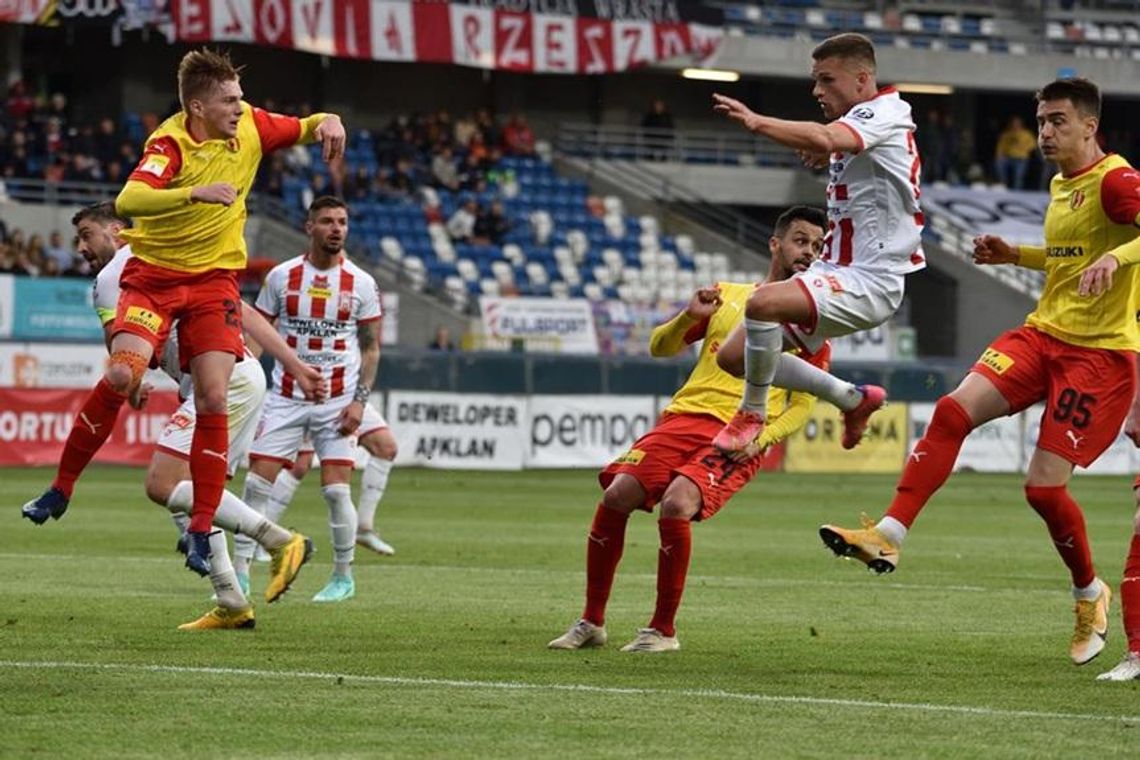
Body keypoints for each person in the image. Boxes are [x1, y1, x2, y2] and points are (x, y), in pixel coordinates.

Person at [820, 78, 1140, 669]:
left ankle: (1088, 594)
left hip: (1098, 355)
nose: (1045, 132)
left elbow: (1126, 241)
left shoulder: (1118, 182)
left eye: (1058, 121)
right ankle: (889, 533)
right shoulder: (1061, 183)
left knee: (1043, 490)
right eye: (1041, 120)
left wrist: (1115, 258)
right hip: (1043, 334)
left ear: (1091, 126)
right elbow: (1071, 258)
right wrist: (1014, 254)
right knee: (952, 411)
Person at [20, 49, 345, 580]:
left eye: (241, 99)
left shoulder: (255, 127)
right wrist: (194, 191)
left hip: (213, 281)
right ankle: (61, 488)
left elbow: (309, 126)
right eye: (229, 101)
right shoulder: (169, 142)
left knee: (214, 394)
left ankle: (200, 530)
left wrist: (329, 120)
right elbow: (130, 199)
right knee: (122, 372)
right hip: (154, 279)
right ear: (197, 106)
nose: (241, 108)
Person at [548, 206, 828, 653]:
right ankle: (591, 623)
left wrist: (762, 439)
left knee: (677, 503)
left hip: (738, 434)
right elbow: (660, 347)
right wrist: (686, 315)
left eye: (818, 246)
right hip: (682, 418)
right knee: (617, 495)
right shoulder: (728, 295)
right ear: (775, 244)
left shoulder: (813, 326)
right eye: (800, 240)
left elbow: (801, 407)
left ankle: (662, 631)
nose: (809, 252)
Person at [71, 202, 325, 629]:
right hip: (232, 379)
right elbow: (240, 311)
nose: (81, 247)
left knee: (162, 484)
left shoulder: (114, 277)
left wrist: (129, 385)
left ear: (116, 230)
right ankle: (231, 600)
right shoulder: (174, 258)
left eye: (86, 234)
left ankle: (282, 541)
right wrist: (293, 365)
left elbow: (120, 347)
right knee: (188, 493)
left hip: (229, 384)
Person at [709, 33, 922, 460]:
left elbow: (825, 138)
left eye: (827, 80)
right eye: (815, 80)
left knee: (762, 303)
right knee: (733, 358)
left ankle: (751, 416)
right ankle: (851, 398)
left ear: (863, 79)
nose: (816, 90)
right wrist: (828, 152)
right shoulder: (868, 123)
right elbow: (838, 148)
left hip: (871, 281)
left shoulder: (884, 112)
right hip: (835, 271)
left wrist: (757, 122)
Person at [241, 196, 382, 603]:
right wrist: (243, 380)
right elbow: (258, 337)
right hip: (285, 397)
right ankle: (242, 571)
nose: (336, 228)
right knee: (255, 484)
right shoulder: (281, 278)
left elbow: (371, 349)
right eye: (326, 221)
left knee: (337, 491)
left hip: (338, 401)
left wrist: (359, 403)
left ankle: (343, 577)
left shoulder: (362, 283)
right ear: (309, 227)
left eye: (342, 221)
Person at [993, 115, 1037, 190]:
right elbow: (1000, 147)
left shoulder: (1026, 134)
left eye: (1017, 123)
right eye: (1013, 124)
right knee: (999, 162)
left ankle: (1017, 190)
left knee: (1019, 177)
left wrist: (1023, 149)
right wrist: (999, 156)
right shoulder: (1006, 134)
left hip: (1021, 158)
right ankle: (1003, 184)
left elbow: (1033, 146)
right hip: (1008, 158)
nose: (1015, 125)